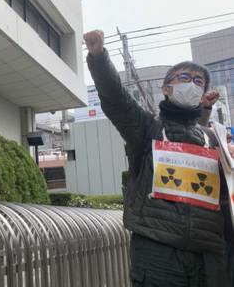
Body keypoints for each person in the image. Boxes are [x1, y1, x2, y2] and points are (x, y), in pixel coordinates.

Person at [84, 30, 232, 286]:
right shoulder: (147, 128)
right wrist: (99, 58)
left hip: (209, 253)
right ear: (166, 89)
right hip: (157, 250)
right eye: (185, 77)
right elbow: (118, 102)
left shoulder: (213, 138)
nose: (192, 84)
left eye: (199, 82)